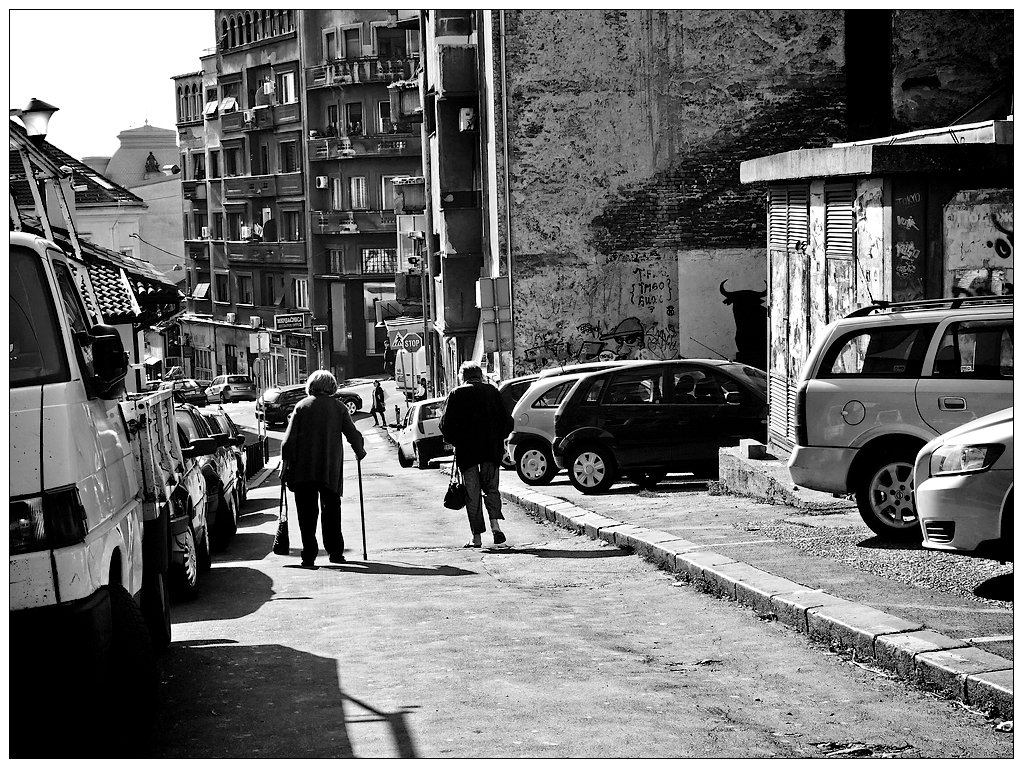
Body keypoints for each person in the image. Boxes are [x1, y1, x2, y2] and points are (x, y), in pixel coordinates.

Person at [281, 370, 367, 568]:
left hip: (303, 471)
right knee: (331, 512)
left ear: (311, 386)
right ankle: (335, 552)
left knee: (306, 514)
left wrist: (286, 465)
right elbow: (353, 434)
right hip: (329, 469)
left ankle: (309, 555)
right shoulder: (339, 408)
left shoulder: (301, 406)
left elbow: (288, 442)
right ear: (332, 387)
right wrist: (359, 451)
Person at [440, 360, 514, 549]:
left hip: (468, 454)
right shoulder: (492, 392)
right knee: (491, 489)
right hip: (491, 451)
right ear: (480, 376)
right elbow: (507, 422)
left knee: (472, 495)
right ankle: (496, 528)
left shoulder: (456, 394)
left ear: (462, 377)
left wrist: (458, 441)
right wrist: (497, 438)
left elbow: (445, 426)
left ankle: (477, 537)